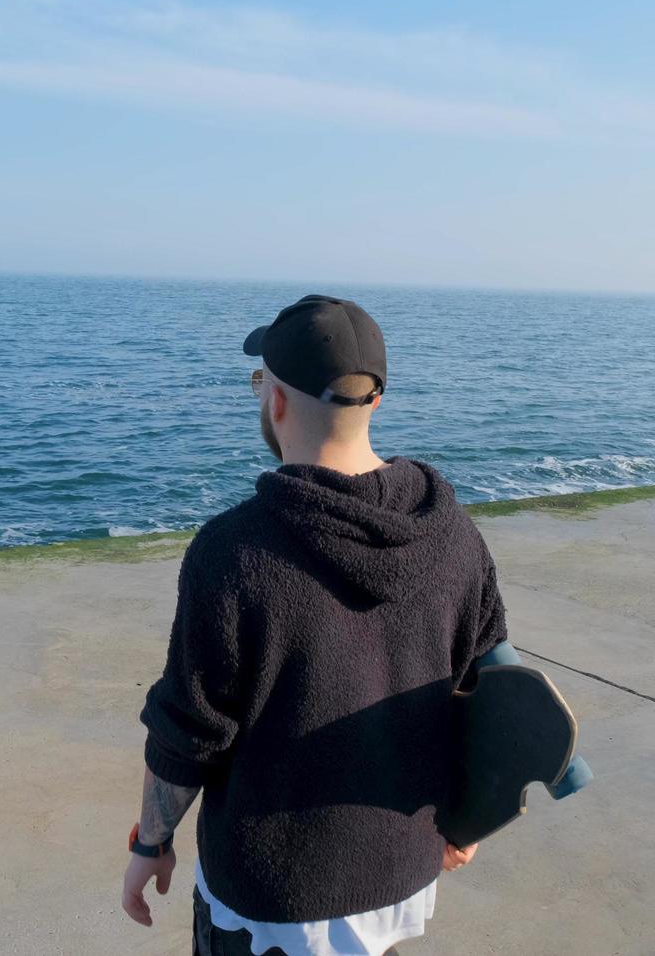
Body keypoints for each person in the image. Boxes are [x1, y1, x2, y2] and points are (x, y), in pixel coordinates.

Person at [119, 294, 511, 956]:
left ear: (273, 400)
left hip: (271, 896)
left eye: (257, 383)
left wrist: (149, 843)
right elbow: (492, 688)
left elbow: (188, 732)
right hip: (402, 871)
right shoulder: (452, 533)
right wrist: (473, 814)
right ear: (375, 402)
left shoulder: (234, 553)